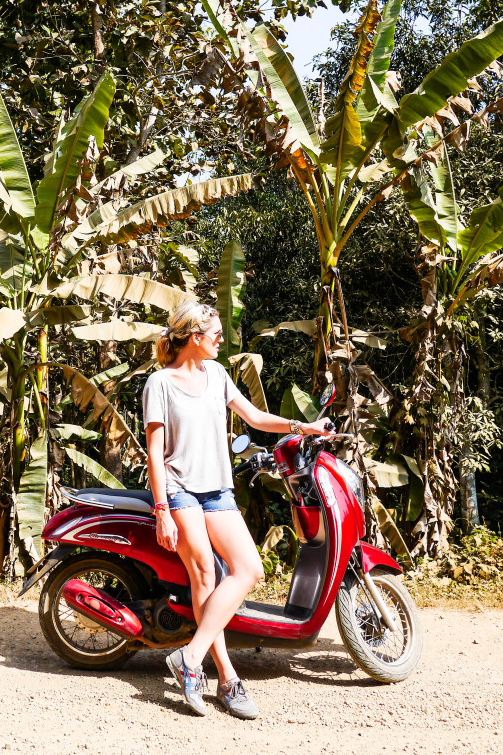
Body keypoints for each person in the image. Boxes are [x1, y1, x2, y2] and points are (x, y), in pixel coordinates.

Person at [143, 300, 334, 719]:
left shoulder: (217, 375)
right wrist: (161, 510)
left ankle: (189, 659)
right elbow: (155, 455)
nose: (220, 342)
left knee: (249, 569)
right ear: (194, 337)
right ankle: (227, 677)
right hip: (180, 491)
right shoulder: (160, 383)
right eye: (214, 335)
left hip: (217, 491)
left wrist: (305, 427)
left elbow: (254, 417)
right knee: (204, 574)